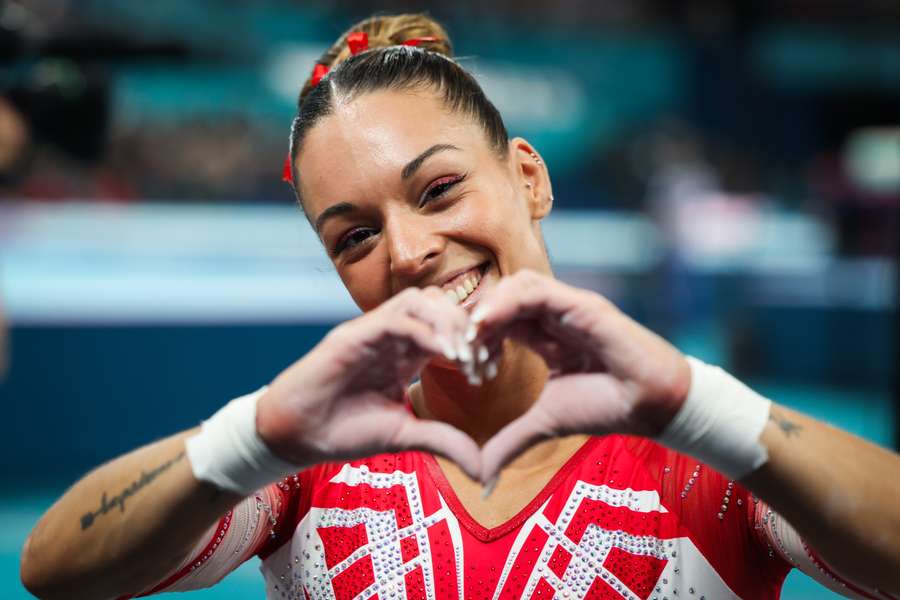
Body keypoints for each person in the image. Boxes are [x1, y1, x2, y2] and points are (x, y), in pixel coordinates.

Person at [20, 14, 900, 600]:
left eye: (439, 189)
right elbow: (54, 571)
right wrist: (257, 434)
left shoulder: (699, 456)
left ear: (529, 176)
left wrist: (696, 407)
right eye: (354, 238)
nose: (406, 252)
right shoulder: (310, 465)